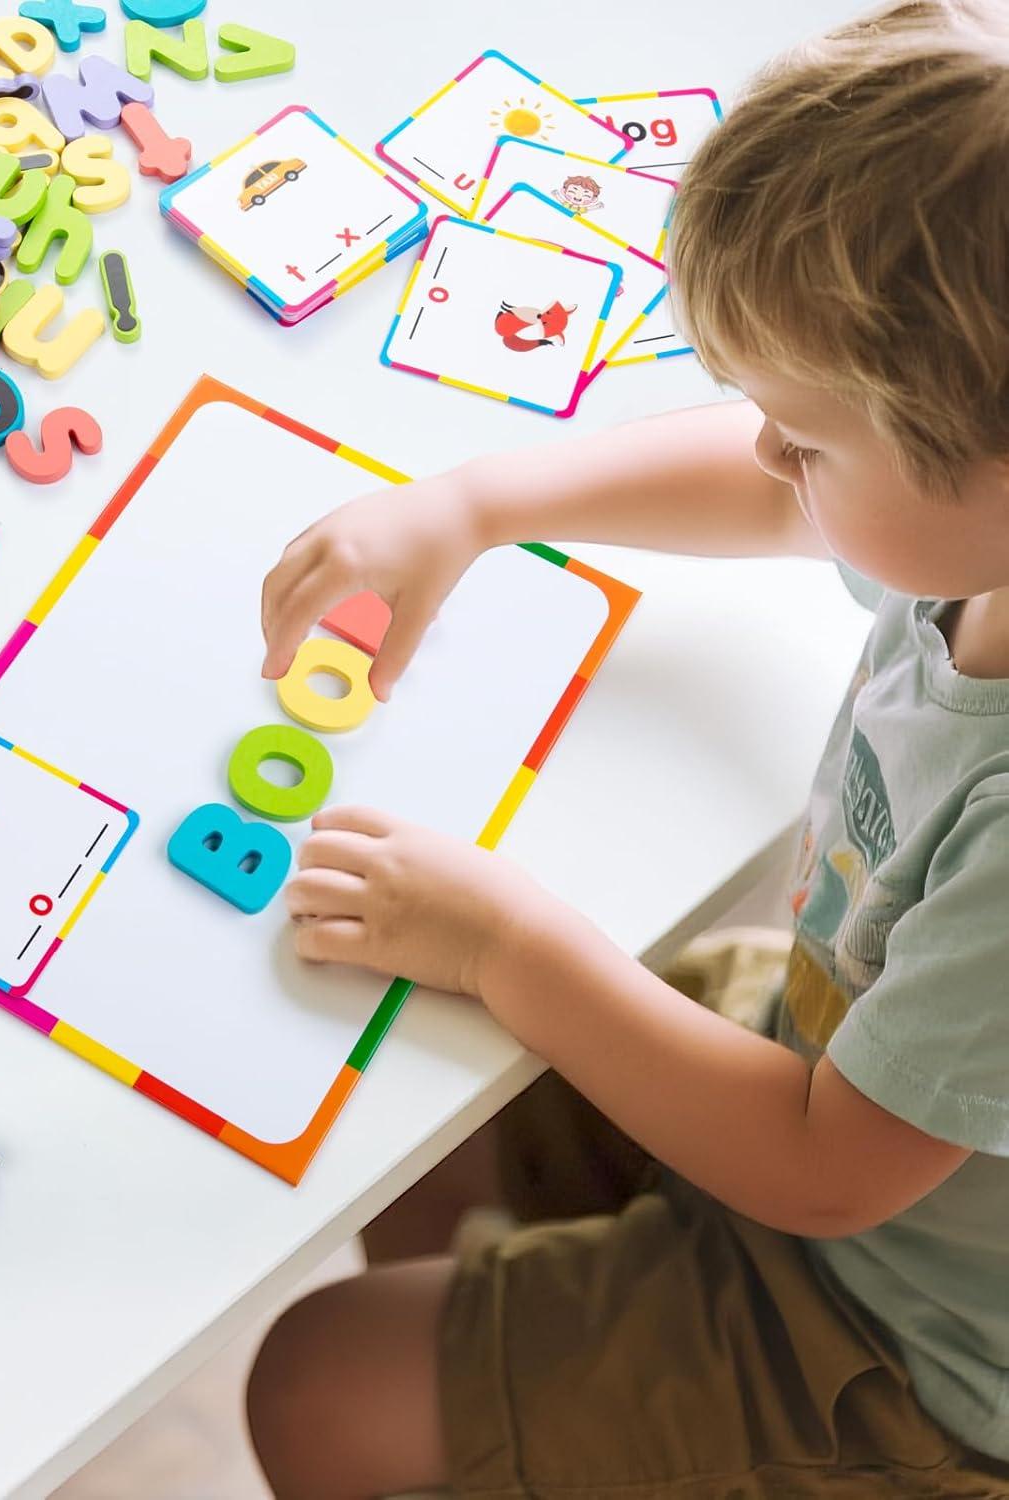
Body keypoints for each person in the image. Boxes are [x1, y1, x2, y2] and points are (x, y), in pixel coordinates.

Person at [245, 4, 1009, 1495]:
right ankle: (542, 1388)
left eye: (805, 431)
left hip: (903, 1356)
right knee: (443, 1099)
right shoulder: (966, 533)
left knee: (319, 1389)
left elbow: (821, 1168)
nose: (772, 457)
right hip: (834, 1047)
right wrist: (473, 503)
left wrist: (508, 938)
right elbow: (784, 500)